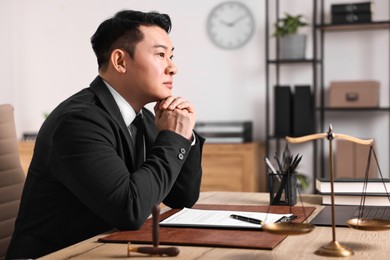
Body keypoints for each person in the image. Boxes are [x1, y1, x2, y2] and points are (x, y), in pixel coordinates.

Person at [6, 10, 204, 259]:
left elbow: (182, 197)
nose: (173, 68)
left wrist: (184, 135)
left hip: (107, 248)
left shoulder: (142, 117)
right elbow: (130, 210)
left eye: (171, 56)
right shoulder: (79, 122)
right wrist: (173, 138)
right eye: (161, 55)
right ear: (120, 61)